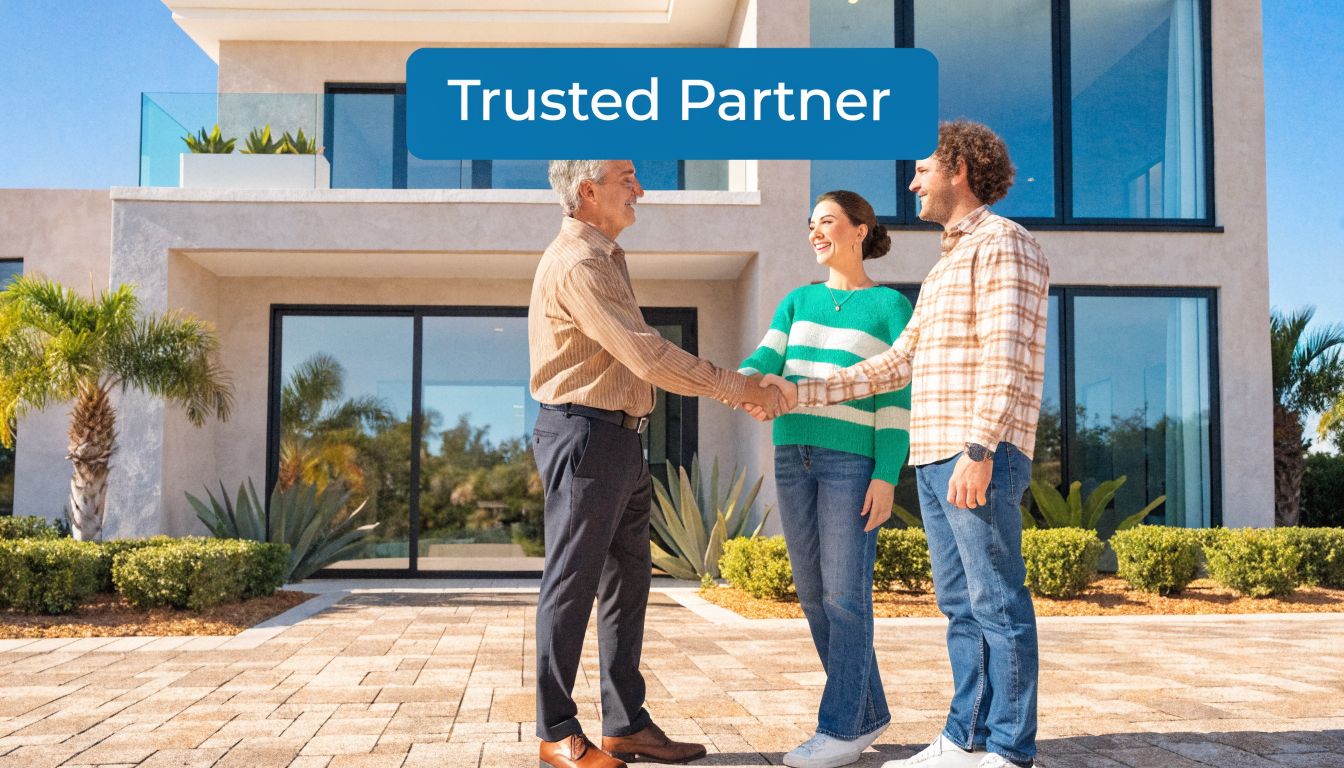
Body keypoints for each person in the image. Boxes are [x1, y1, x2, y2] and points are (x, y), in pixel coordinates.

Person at [754, 121, 1051, 768]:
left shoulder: (1004, 245)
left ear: (960, 170)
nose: (912, 181)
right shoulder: (948, 264)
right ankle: (964, 738)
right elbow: (893, 367)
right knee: (960, 605)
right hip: (937, 451)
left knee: (996, 600)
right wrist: (798, 394)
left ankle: (1008, 746)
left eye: (922, 169)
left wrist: (980, 450)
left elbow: (1006, 358)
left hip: (976, 451)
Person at [529, 159, 787, 768]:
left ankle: (624, 726)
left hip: (618, 439)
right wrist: (739, 387)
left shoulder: (605, 257)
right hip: (586, 435)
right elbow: (646, 356)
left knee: (627, 586)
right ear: (588, 192)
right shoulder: (579, 263)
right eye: (626, 178)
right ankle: (556, 732)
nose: (639, 188)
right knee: (571, 585)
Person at [738, 190, 912, 768]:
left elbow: (896, 400)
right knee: (814, 595)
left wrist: (886, 475)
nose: (815, 232)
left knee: (845, 595)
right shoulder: (797, 300)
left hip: (850, 463)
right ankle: (866, 714)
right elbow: (767, 358)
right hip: (793, 456)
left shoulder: (889, 306)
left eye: (828, 221)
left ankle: (839, 727)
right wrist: (740, 380)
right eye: (811, 223)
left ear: (860, 230)